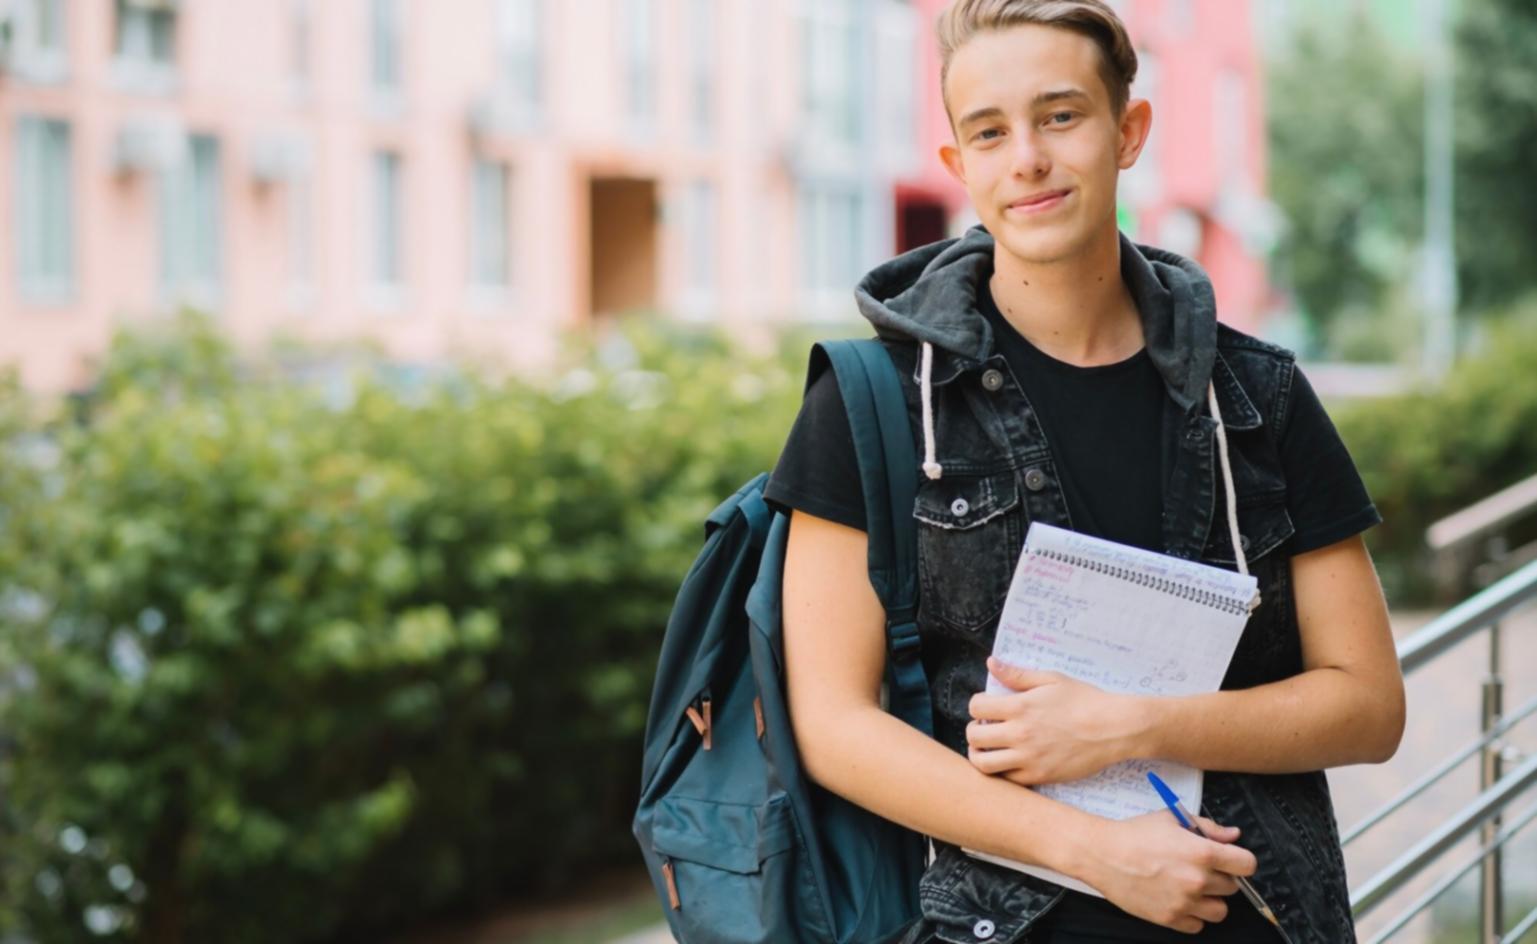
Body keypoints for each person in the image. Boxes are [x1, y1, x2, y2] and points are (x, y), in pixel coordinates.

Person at [763, 1, 1406, 941]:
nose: (1025, 157)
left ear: (1128, 131)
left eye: (1059, 115)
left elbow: (1368, 705)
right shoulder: (872, 402)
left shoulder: (1258, 398)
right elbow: (832, 725)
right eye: (988, 132)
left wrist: (1135, 726)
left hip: (1262, 919)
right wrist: (1091, 851)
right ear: (959, 165)